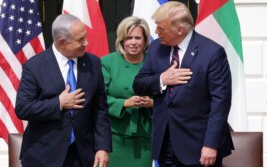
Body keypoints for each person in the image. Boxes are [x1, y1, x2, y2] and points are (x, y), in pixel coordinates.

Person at [133, 2, 234, 167]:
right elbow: (139, 84)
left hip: (199, 145)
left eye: (161, 28)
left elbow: (220, 103)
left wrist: (210, 145)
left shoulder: (212, 53)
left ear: (179, 30)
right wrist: (162, 79)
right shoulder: (156, 47)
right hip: (165, 144)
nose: (156, 32)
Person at [15, 14, 112, 167]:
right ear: (61, 43)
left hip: (82, 155)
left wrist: (102, 147)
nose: (86, 43)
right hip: (44, 156)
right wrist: (58, 103)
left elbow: (100, 110)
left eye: (85, 37)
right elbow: (23, 108)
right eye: (80, 40)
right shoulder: (34, 66)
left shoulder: (93, 63)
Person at [101, 16, 153, 167]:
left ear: (145, 40)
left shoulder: (154, 63)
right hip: (114, 137)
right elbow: (99, 98)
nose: (133, 42)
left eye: (138, 37)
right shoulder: (107, 62)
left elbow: (168, 96)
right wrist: (124, 103)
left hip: (145, 137)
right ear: (122, 40)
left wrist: (151, 103)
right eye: (129, 37)